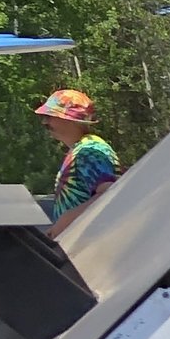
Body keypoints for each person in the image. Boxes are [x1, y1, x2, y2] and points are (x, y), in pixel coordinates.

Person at [34, 89, 121, 235]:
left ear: (71, 119)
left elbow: (109, 194)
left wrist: (64, 222)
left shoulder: (90, 151)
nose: (45, 122)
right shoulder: (81, 149)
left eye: (50, 116)